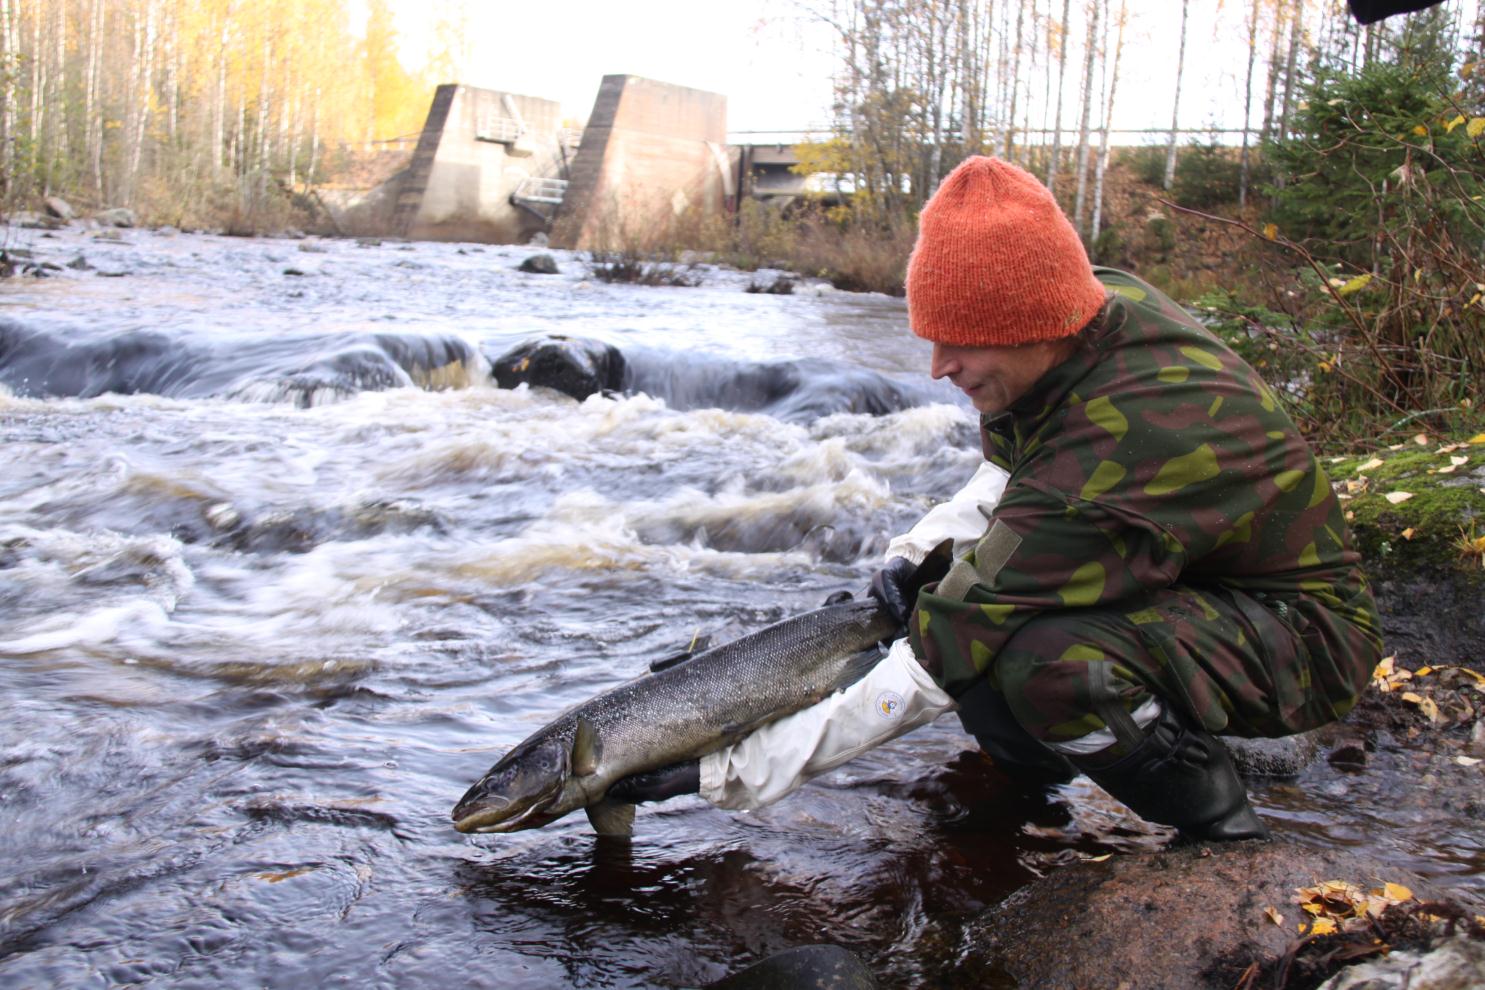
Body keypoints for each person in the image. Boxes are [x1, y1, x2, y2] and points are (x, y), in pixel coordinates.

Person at [610, 156, 1383, 842]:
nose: (939, 367)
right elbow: (1019, 470)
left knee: (1044, 661)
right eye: (931, 337)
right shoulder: (1094, 310)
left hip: (1302, 639)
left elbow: (943, 655)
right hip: (1193, 573)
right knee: (957, 599)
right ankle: (1032, 781)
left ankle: (1220, 827)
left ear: (1033, 325)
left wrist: (734, 772)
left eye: (962, 341)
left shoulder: (1122, 450)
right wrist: (918, 548)